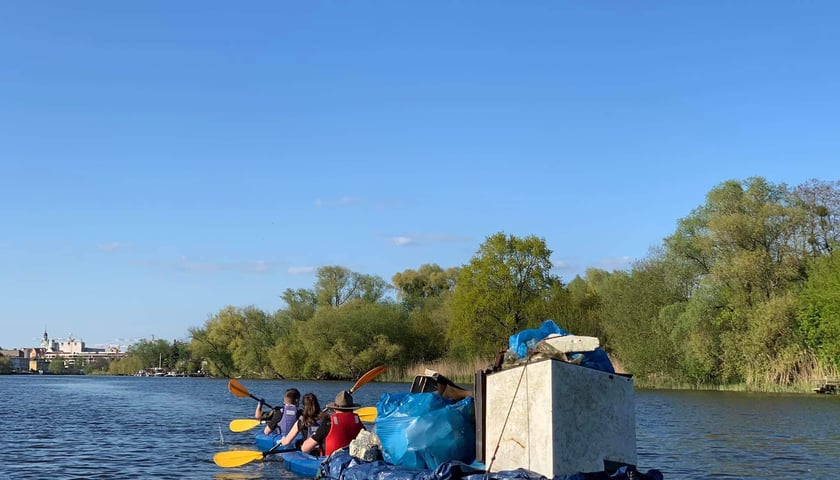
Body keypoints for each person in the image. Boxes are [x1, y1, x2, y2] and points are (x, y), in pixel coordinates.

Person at [300, 389, 365, 457]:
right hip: (353, 461)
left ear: (334, 408)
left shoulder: (329, 422)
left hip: (331, 463)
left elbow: (305, 448)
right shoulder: (357, 421)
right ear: (352, 408)